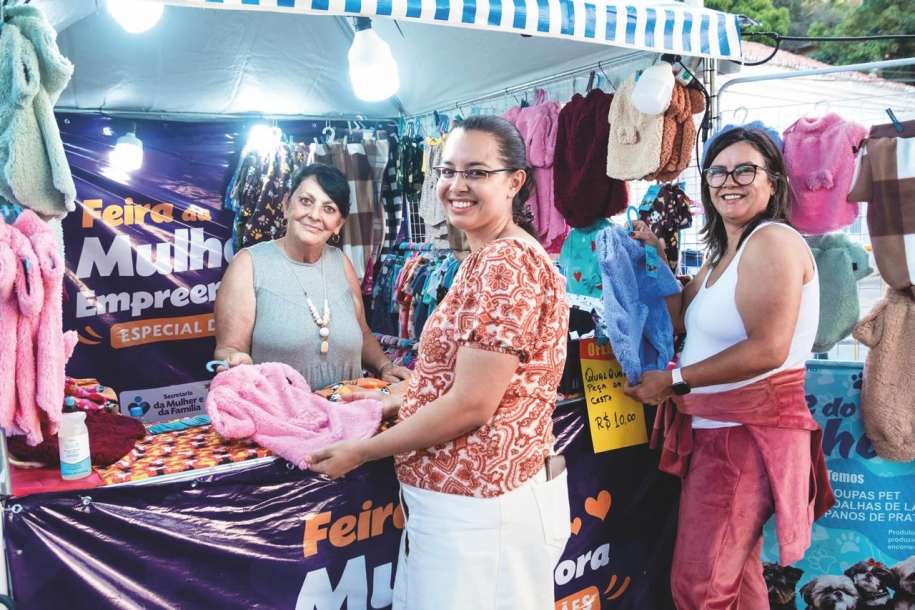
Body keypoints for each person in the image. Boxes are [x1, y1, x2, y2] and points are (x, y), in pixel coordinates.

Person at [307, 115, 571, 609]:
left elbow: (473, 405)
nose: (456, 185)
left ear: (515, 181)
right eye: (447, 171)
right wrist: (406, 396)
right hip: (468, 505)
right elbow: (471, 381)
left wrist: (365, 451)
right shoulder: (487, 255)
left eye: (476, 171)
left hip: (479, 508)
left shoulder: (504, 263)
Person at [624, 127, 833, 609]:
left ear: (774, 182)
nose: (728, 180)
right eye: (717, 171)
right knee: (737, 578)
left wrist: (674, 381)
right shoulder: (725, 252)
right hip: (717, 431)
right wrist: (655, 256)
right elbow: (679, 317)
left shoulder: (773, 240)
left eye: (744, 169)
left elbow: (767, 349)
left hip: (743, 436)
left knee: (699, 586)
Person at [213, 162, 411, 389]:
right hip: (281, 414)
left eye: (329, 209)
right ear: (287, 205)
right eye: (306, 201)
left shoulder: (341, 264)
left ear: (339, 224)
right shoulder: (249, 264)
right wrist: (234, 360)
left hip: (350, 412)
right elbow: (229, 348)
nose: (315, 215)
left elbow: (363, 334)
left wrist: (385, 366)